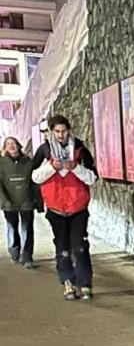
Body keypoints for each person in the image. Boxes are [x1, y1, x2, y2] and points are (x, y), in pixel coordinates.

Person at [31, 115, 97, 300]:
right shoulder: (43, 151)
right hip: (56, 208)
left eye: (64, 131)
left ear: (69, 130)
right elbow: (35, 177)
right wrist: (52, 167)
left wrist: (75, 167)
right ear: (51, 132)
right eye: (57, 131)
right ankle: (68, 282)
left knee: (80, 246)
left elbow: (92, 177)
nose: (61, 135)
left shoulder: (80, 149)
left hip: (78, 207)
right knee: (62, 248)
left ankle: (85, 283)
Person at [0, 136, 42, 269]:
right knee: (12, 227)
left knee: (27, 228)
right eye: (8, 144)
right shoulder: (1, 163)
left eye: (14, 143)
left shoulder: (27, 161)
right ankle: (14, 252)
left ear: (19, 145)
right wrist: (4, 200)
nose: (11, 146)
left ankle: (27, 256)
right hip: (8, 201)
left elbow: (34, 180)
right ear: (5, 148)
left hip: (26, 200)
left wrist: (37, 201)